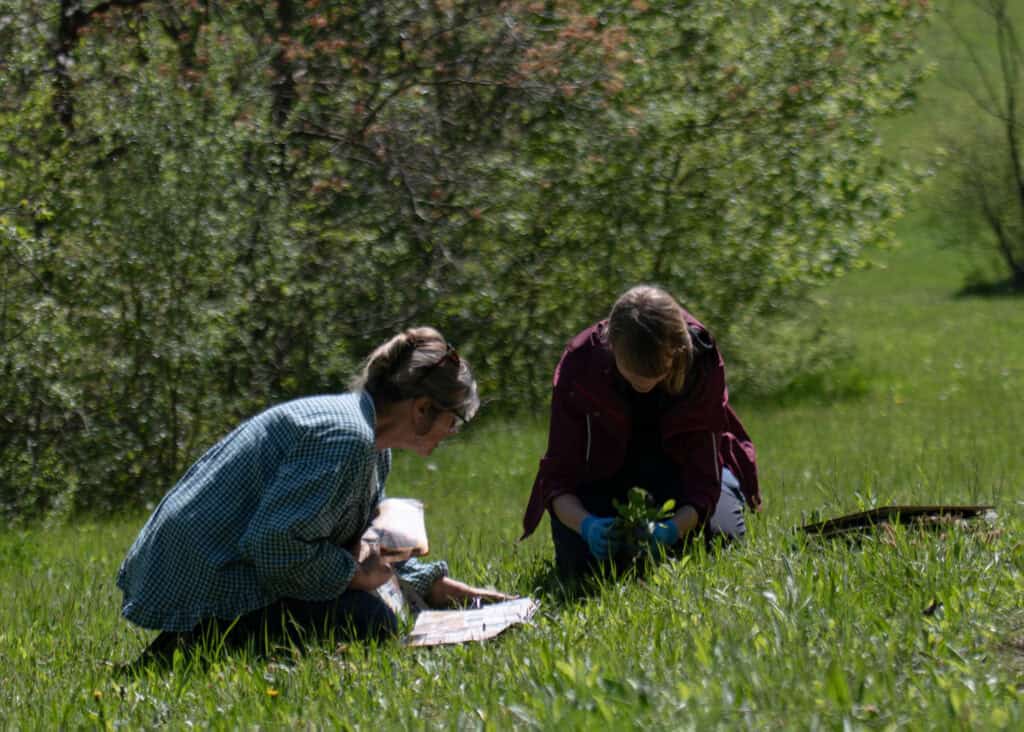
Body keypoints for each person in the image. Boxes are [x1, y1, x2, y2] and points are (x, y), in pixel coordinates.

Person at [118, 327, 509, 661]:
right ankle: (194, 643)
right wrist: (354, 575)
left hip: (221, 564)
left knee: (367, 612)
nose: (454, 433)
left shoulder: (371, 445)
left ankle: (192, 644)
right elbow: (274, 547)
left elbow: (361, 542)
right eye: (456, 420)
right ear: (422, 409)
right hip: (208, 577)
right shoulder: (347, 438)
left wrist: (432, 586)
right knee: (369, 621)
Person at [520, 285, 761, 580]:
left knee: (721, 543)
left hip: (680, 472)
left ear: (677, 352)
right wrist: (587, 525)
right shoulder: (580, 364)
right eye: (632, 374)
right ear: (610, 346)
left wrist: (673, 529)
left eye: (655, 375)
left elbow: (703, 478)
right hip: (602, 476)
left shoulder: (701, 362)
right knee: (584, 571)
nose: (643, 384)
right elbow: (558, 475)